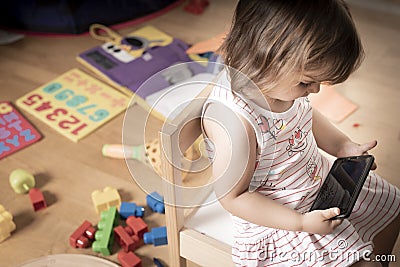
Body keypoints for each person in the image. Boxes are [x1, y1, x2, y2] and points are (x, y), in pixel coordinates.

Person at [201, 0, 400, 266]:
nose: (315, 90)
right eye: (308, 82)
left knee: (392, 205)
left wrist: (342, 145)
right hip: (278, 219)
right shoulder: (235, 123)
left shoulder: (276, 86)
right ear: (265, 55)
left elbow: (306, 115)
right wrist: (300, 223)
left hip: (314, 181)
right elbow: (234, 198)